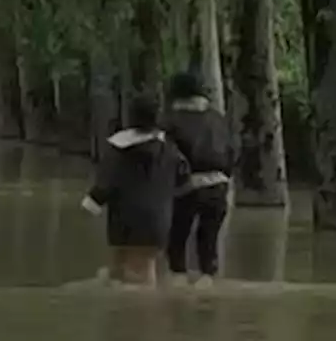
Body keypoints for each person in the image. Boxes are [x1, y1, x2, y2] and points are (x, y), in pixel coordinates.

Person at [81, 94, 190, 286]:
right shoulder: (170, 150)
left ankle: (130, 312)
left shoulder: (118, 150)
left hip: (125, 221)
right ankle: (142, 310)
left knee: (122, 268)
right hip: (158, 220)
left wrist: (91, 204)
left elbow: (106, 182)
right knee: (145, 267)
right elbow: (183, 180)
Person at [162, 72, 238, 288]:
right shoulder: (218, 118)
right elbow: (232, 151)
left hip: (187, 187)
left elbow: (165, 155)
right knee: (209, 242)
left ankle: (177, 283)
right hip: (219, 186)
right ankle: (208, 280)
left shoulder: (169, 120)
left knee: (177, 239)